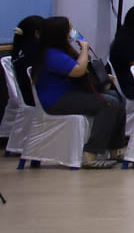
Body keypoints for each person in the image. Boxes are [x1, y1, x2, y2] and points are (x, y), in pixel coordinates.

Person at [35, 16, 127, 166]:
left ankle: (115, 148)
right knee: (109, 103)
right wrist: (84, 48)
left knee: (117, 98)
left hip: (70, 94)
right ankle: (91, 153)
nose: (72, 31)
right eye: (69, 29)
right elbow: (78, 70)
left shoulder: (61, 51)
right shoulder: (52, 54)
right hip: (57, 100)